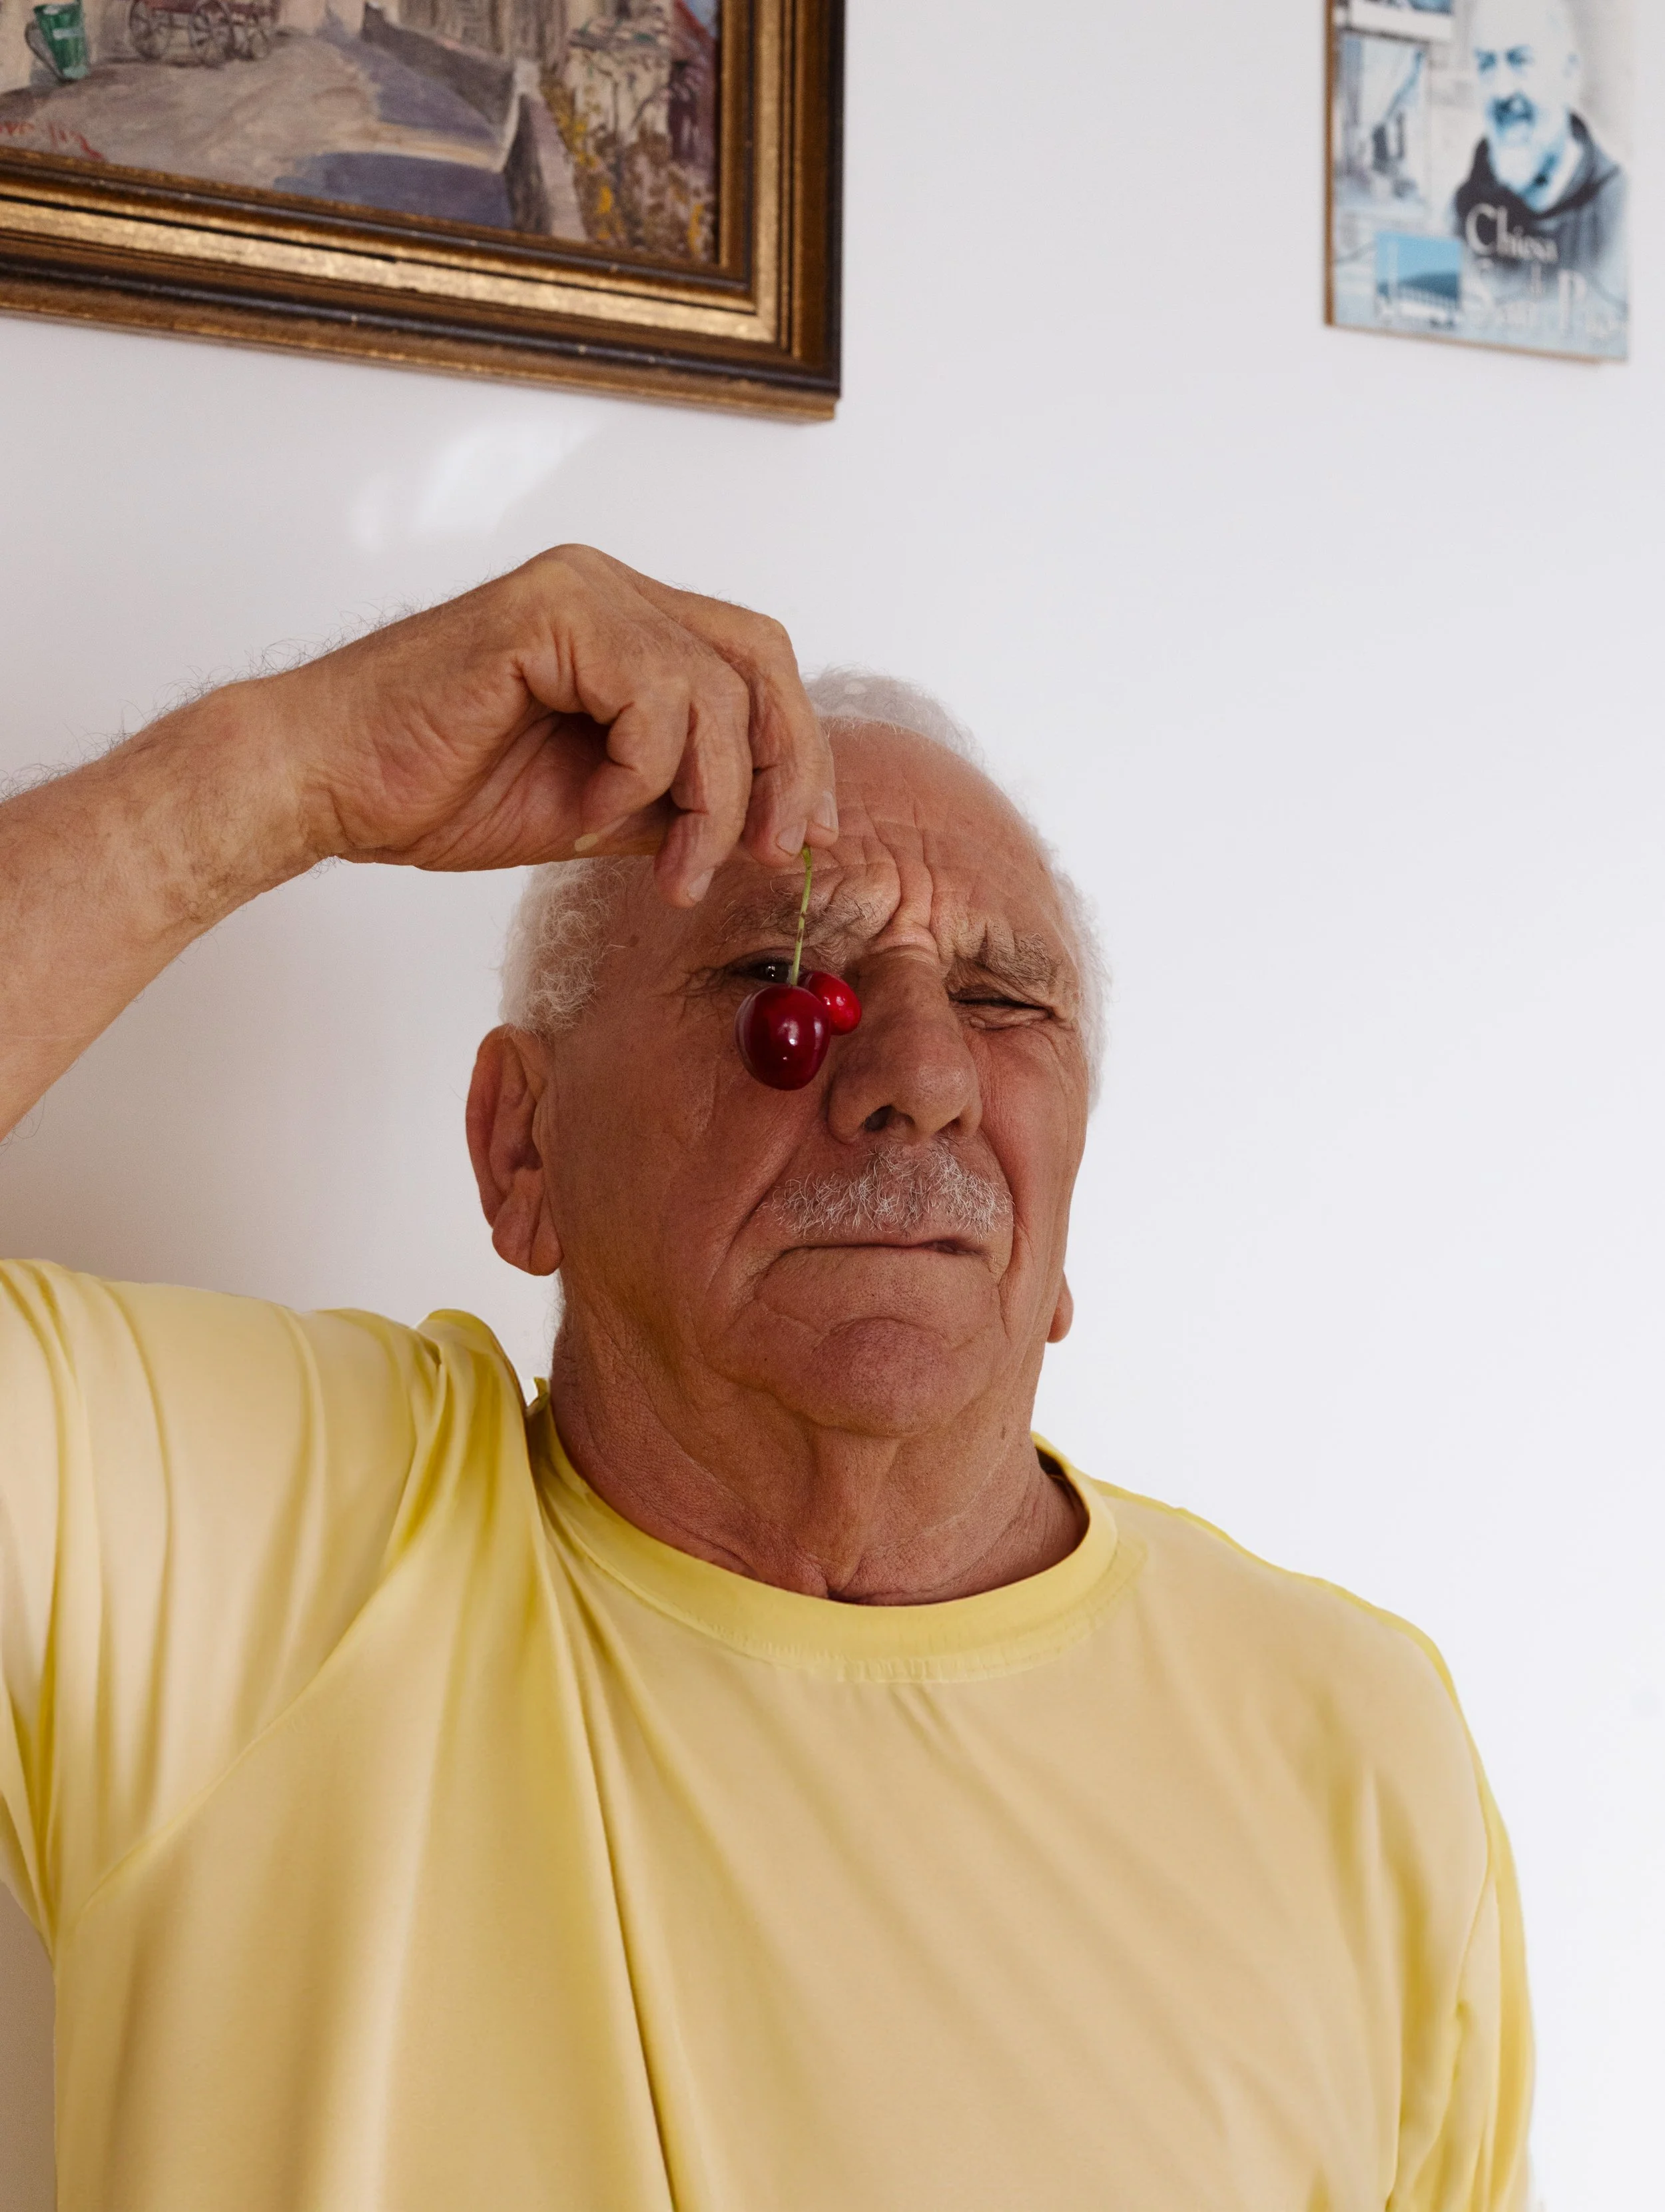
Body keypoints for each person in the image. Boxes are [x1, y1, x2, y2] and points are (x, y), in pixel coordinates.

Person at [0, 548, 1532, 2209]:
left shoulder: (1353, 1747)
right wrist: (277, 771)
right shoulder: (247, 1544)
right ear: (523, 1149)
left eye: (1003, 1000)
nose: (924, 1074)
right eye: (776, 977)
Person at [1452, 0, 1625, 292]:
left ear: (1569, 74)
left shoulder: (1622, 216)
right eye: (1486, 64)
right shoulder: (1459, 212)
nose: (1502, 90)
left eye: (1521, 61)